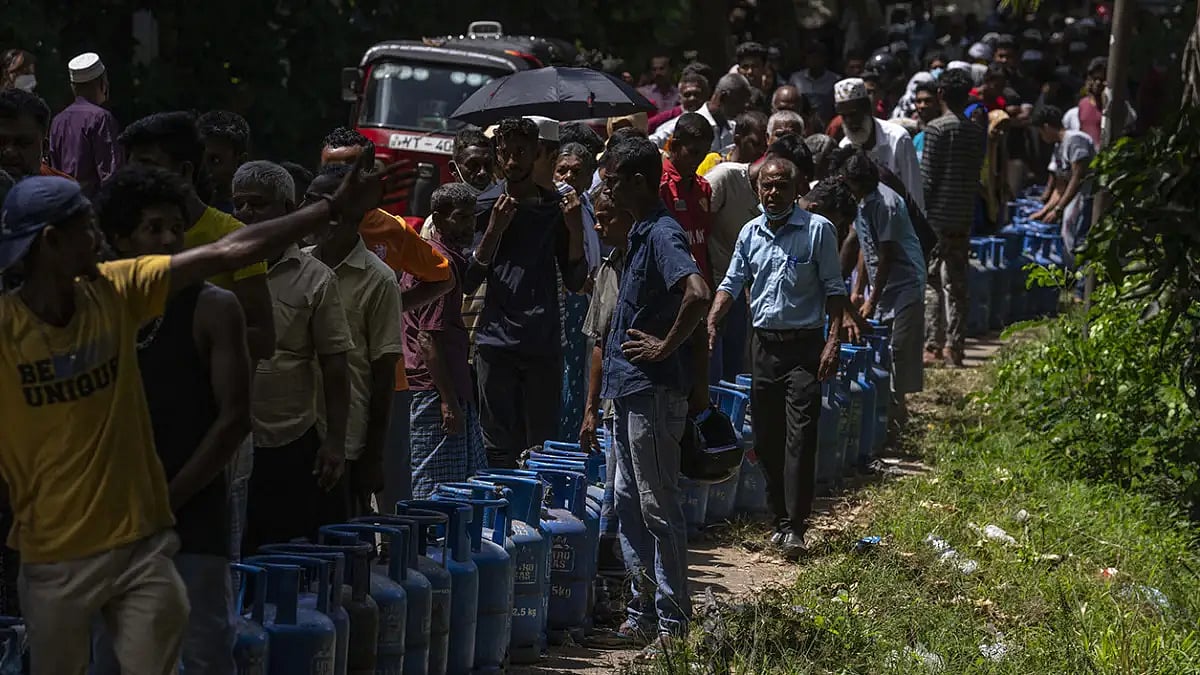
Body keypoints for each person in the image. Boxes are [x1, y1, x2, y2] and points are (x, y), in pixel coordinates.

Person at [0, 150, 398, 674]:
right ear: (51, 243)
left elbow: (233, 249)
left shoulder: (115, 292)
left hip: (138, 545)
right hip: (52, 554)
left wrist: (329, 208)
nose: (95, 238)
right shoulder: (7, 331)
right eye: (84, 229)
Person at [92, 165, 251, 674]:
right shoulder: (97, 308)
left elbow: (233, 420)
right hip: (108, 520)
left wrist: (166, 500)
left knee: (203, 653)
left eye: (175, 227)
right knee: (109, 657)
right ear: (119, 240)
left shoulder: (212, 307)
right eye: (153, 229)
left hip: (191, 516)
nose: (170, 239)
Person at [599, 136, 710, 646]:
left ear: (638, 182)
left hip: (653, 391)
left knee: (657, 505)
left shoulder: (663, 234)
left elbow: (697, 294)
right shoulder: (638, 234)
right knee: (627, 501)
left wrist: (666, 346)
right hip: (628, 390)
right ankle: (642, 610)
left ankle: (672, 620)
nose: (605, 184)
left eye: (613, 177)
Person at [708, 157, 845, 557]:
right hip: (764, 347)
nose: (773, 193)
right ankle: (777, 517)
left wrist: (832, 341)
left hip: (804, 347)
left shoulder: (818, 231)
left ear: (796, 188)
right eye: (766, 186)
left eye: (781, 186)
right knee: (766, 438)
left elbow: (834, 289)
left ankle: (795, 526)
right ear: (757, 190)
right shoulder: (750, 233)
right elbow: (732, 281)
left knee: (800, 435)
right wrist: (713, 320)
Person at [317, 126, 455, 508]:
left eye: (347, 171)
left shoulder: (389, 229)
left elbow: (441, 276)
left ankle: (393, 561)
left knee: (387, 482)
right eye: (329, 170)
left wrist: (395, 304)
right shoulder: (305, 226)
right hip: (315, 377)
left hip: (383, 377)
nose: (337, 182)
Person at [230, 161, 354, 551]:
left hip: (287, 439)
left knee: (280, 551)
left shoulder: (316, 278)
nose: (247, 214)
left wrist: (335, 441)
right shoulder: (218, 265)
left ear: (287, 210)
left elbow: (335, 364)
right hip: (227, 438)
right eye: (240, 205)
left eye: (258, 204)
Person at [465, 117, 587, 468]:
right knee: (498, 446)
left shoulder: (556, 209)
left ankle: (534, 518)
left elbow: (576, 279)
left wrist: (575, 230)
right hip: (495, 342)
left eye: (522, 152)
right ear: (497, 156)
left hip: (541, 343)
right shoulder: (487, 206)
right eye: (506, 153)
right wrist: (494, 231)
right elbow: (470, 279)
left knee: (540, 447)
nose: (513, 161)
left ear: (537, 154)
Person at [119, 112, 275, 361]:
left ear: (184, 171)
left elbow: (264, 339)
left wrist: (192, 338)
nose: (134, 179)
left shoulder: (232, 235)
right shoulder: (126, 238)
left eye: (147, 167)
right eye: (131, 167)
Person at [305, 163, 408, 514]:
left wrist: (373, 458)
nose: (309, 212)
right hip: (294, 434)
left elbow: (382, 377)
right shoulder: (298, 266)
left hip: (346, 443)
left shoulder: (378, 280)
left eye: (320, 203)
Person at [404, 183, 487, 498]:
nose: (469, 226)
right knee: (435, 489)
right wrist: (448, 402)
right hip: (432, 392)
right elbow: (428, 339)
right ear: (438, 218)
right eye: (460, 218)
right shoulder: (439, 265)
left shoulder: (443, 258)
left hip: (443, 389)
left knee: (460, 482)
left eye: (472, 218)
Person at [840, 150, 926, 440]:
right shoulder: (863, 203)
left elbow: (887, 254)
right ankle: (883, 410)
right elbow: (866, 246)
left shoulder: (886, 203)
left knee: (899, 347)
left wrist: (871, 300)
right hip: (881, 284)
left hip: (905, 281)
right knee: (880, 347)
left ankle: (898, 409)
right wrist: (856, 291)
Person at [578, 191, 635, 577]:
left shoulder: (651, 260)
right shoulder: (607, 270)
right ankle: (609, 562)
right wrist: (590, 409)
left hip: (646, 395)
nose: (598, 227)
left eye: (606, 218)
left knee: (632, 491)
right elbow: (599, 343)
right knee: (614, 485)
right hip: (615, 398)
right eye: (595, 219)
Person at [921, 68, 986, 367]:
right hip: (962, 215)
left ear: (940, 95)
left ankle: (933, 344)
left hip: (936, 219)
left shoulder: (935, 129)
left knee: (932, 281)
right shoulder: (975, 132)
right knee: (958, 284)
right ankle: (955, 347)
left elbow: (928, 179)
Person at [835, 77, 925, 213]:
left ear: (866, 108)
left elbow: (914, 192)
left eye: (853, 114)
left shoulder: (897, 138)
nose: (849, 121)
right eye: (844, 116)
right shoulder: (845, 147)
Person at [1029, 105, 1095, 269]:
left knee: (1080, 240)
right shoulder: (1058, 147)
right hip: (1074, 199)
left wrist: (1058, 209)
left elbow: (1077, 177)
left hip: (1087, 197)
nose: (1041, 136)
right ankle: (1072, 278)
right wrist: (1044, 212)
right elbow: (1060, 187)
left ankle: (1081, 287)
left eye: (1040, 131)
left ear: (1046, 127)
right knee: (1068, 237)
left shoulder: (1075, 140)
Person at [48, 53, 122, 198]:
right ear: (102, 82)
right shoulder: (101, 118)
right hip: (92, 206)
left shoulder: (58, 120)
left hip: (64, 203)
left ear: (73, 87)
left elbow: (53, 169)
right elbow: (111, 173)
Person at [661, 113, 714, 285]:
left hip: (700, 282)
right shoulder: (660, 185)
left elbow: (704, 243)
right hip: (671, 284)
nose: (698, 160)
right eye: (693, 153)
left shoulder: (703, 187)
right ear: (674, 146)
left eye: (704, 154)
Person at [650, 73, 750, 153]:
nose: (742, 109)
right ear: (723, 97)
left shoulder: (733, 129)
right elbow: (650, 143)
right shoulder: (684, 124)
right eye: (739, 103)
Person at [1062, 57, 1136, 148]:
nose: (1098, 83)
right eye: (1095, 78)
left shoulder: (1119, 105)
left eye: (1102, 79)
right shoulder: (1083, 104)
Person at [0, 88, 62, 181]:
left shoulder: (63, 191)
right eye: (1, 142)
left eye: (23, 143)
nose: (10, 152)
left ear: (44, 148)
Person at [197, 110, 251, 214]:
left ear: (240, 162)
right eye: (198, 158)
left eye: (215, 161)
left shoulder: (247, 219)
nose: (202, 170)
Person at [789, 41, 841, 124]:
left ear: (824, 59)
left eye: (817, 57)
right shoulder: (796, 79)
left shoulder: (835, 80)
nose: (814, 61)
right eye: (811, 57)